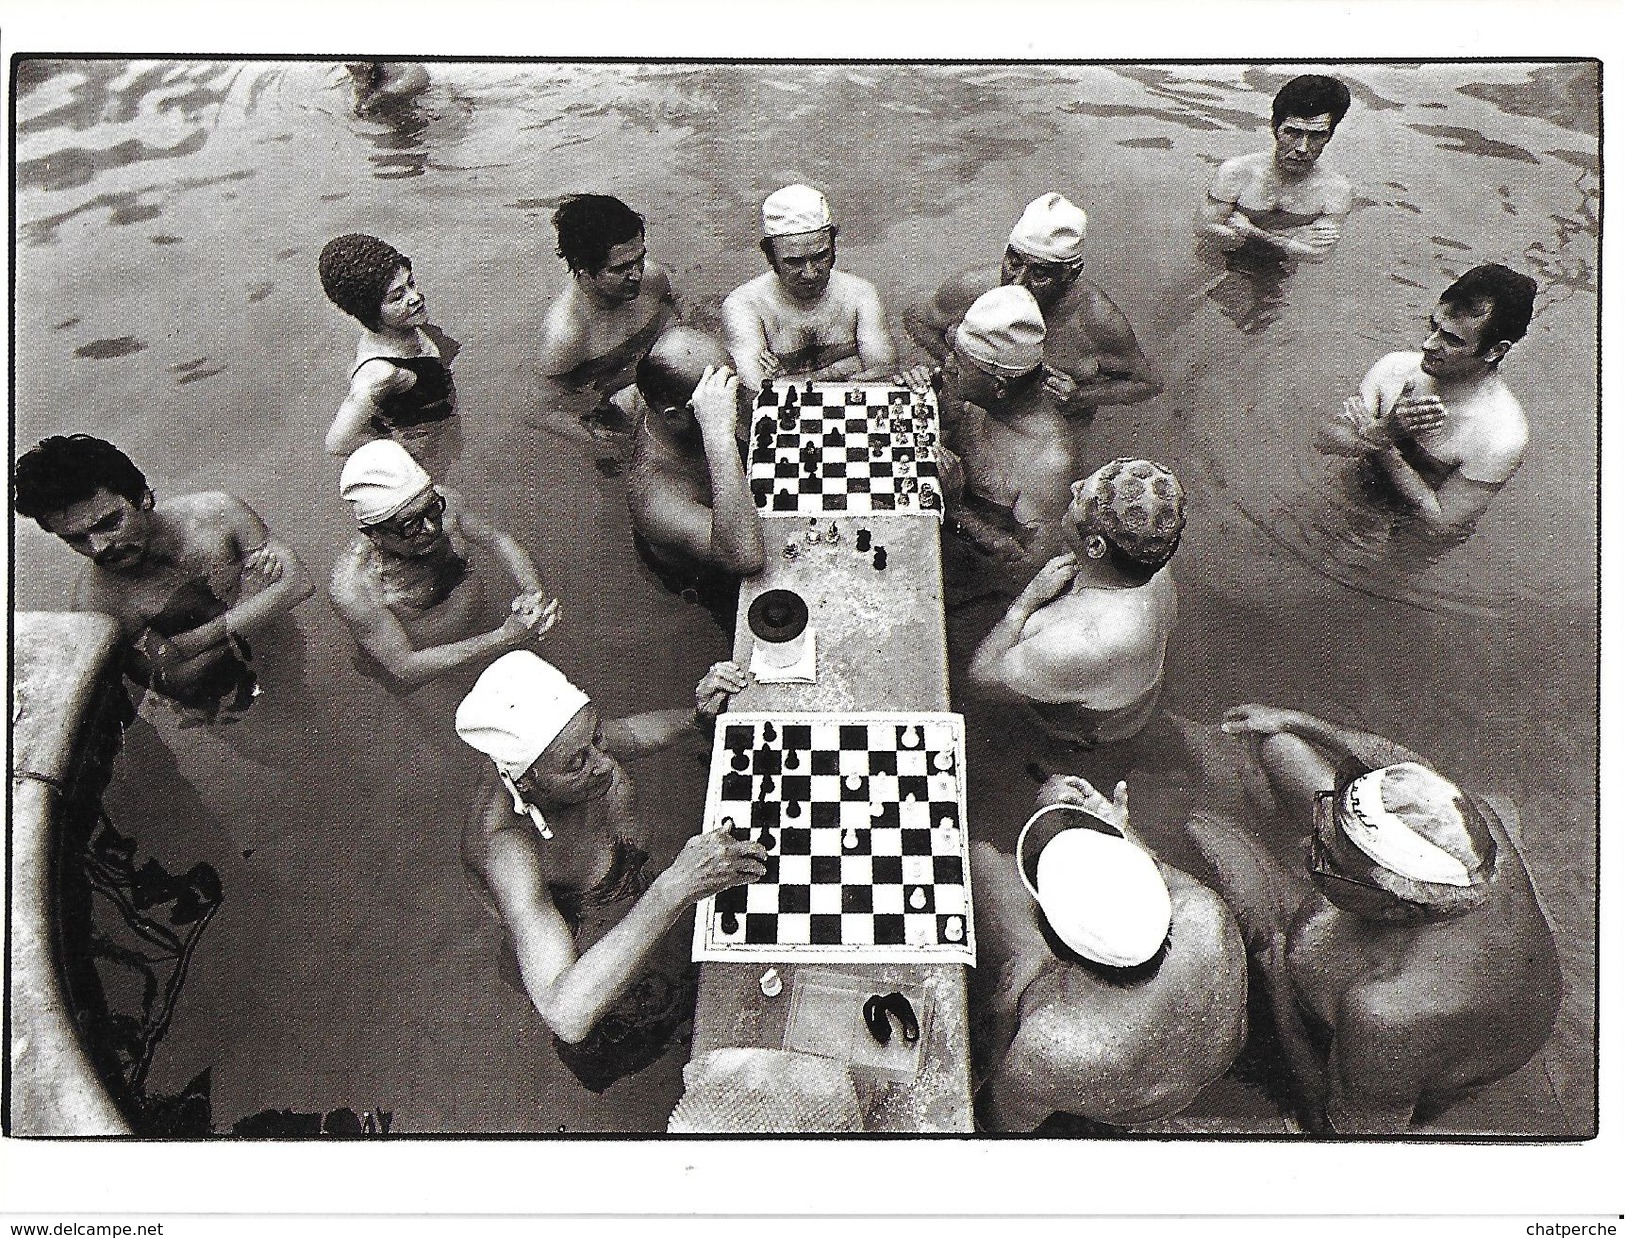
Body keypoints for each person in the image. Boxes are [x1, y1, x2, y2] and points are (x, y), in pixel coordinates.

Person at [1187, 704, 1561, 1134]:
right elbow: (1401, 764)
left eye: (1324, 858)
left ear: (1393, 908)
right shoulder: (1468, 826)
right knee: (1283, 749)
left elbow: (1333, 1130)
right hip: (1401, 932)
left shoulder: (1386, 1012)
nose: (1311, 846)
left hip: (1413, 1042)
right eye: (1326, 832)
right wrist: (1299, 722)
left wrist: (1273, 966)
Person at [456, 651, 768, 1093]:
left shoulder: (571, 748)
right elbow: (565, 1014)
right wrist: (672, 890)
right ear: (527, 782)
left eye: (597, 738)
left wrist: (698, 717)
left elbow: (634, 735)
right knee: (628, 1035)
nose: (603, 763)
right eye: (577, 763)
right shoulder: (510, 851)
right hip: (570, 934)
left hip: (625, 889)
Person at [970, 774, 1248, 1131]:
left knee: (982, 863)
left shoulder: (1051, 1042)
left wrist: (1006, 1002)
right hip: (1182, 1083)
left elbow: (995, 1126)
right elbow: (1157, 875)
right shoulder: (1205, 914)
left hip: (1108, 1103)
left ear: (1056, 950)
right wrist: (1120, 830)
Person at [13, 434, 314, 721]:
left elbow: (299, 583)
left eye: (109, 523)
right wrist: (251, 598)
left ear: (142, 497)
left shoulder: (217, 514)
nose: (99, 547)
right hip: (228, 704)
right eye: (76, 539)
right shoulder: (99, 604)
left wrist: (187, 643)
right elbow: (181, 685)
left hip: (287, 650)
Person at [967, 458, 1184, 752]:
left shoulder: (1076, 643)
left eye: (1081, 496)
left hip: (1089, 722)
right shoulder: (1149, 556)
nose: (1074, 486)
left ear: (1095, 547)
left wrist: (1024, 604)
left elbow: (981, 679)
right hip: (1129, 688)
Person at [1316, 263, 1535, 545]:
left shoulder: (1502, 435)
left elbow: (1441, 525)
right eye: (1434, 327)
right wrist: (1385, 430)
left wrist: (1383, 443)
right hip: (1343, 499)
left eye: (1452, 340)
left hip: (1405, 541)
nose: (1429, 345)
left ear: (1495, 350)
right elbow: (1323, 441)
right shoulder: (1394, 369)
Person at [904, 192, 1161, 423]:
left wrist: (1082, 397)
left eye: (1040, 273)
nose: (1017, 282)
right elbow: (915, 319)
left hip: (1045, 432)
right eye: (1014, 263)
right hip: (970, 414)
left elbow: (1147, 384)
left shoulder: (1096, 320)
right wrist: (962, 368)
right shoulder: (971, 287)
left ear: (1071, 275)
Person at [329, 440, 559, 697]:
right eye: (410, 525)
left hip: (490, 624)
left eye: (432, 509)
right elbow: (404, 666)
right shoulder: (354, 587)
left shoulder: (446, 507)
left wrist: (532, 592)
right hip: (436, 668)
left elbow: (497, 540)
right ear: (374, 535)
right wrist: (504, 638)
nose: (431, 528)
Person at [917, 284, 1076, 565]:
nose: (947, 365)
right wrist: (914, 392)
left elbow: (1028, 565)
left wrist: (955, 510)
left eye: (960, 362)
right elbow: (944, 421)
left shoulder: (1049, 464)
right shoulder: (976, 393)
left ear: (999, 386)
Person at [625, 329, 765, 631]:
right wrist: (718, 434)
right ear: (675, 417)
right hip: (706, 573)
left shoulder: (655, 393)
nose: (740, 400)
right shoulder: (656, 496)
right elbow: (744, 557)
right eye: (726, 396)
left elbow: (622, 397)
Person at [722, 184, 897, 396]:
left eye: (820, 256)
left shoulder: (860, 294)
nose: (810, 273)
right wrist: (846, 367)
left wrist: (789, 380)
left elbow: (884, 377)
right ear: (770, 257)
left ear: (833, 247)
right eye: (794, 262)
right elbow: (756, 394)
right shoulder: (745, 305)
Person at [319, 233, 463, 479]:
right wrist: (401, 448)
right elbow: (338, 443)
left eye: (412, 283)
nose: (414, 297)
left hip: (446, 439)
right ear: (370, 310)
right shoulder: (381, 373)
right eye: (397, 297)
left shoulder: (408, 326)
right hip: (426, 465)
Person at [536, 194, 680, 437]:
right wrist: (599, 439)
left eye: (639, 258)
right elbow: (548, 410)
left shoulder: (652, 279)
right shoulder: (566, 336)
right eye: (620, 268)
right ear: (583, 268)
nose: (636, 275)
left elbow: (676, 319)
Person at [1197, 74, 1354, 263]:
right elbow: (1204, 229)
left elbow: (1318, 255)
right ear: (1274, 127)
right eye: (1292, 132)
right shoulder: (1237, 172)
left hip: (1278, 265)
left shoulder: (1336, 190)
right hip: (1217, 258)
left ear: (1329, 136)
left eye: (1316, 136)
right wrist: (1294, 238)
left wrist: (1251, 231)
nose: (1302, 148)